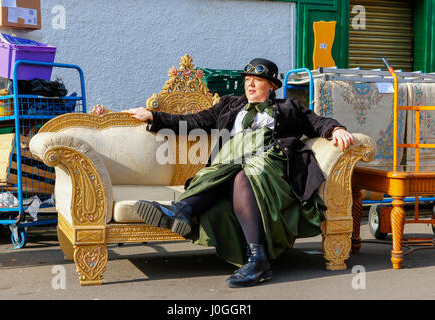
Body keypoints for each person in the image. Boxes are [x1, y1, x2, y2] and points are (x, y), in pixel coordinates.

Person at [122, 58, 354, 288]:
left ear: (271, 85)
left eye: (257, 81)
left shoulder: (289, 107)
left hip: (270, 167)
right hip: (232, 165)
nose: (250, 85)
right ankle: (192, 217)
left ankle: (185, 212)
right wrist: (154, 117)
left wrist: (336, 129)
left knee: (243, 172)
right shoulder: (229, 105)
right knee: (234, 171)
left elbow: (318, 122)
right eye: (247, 80)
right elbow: (193, 121)